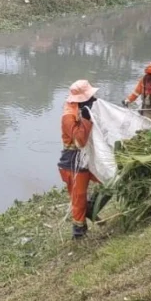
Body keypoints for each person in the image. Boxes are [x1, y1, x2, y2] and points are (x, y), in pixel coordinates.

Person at [59, 80, 99, 239]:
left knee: (109, 180)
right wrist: (86, 119)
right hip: (73, 162)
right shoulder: (69, 116)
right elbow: (80, 141)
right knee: (78, 197)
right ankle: (79, 233)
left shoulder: (83, 108)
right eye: (90, 98)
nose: (93, 100)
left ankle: (90, 207)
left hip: (87, 157)